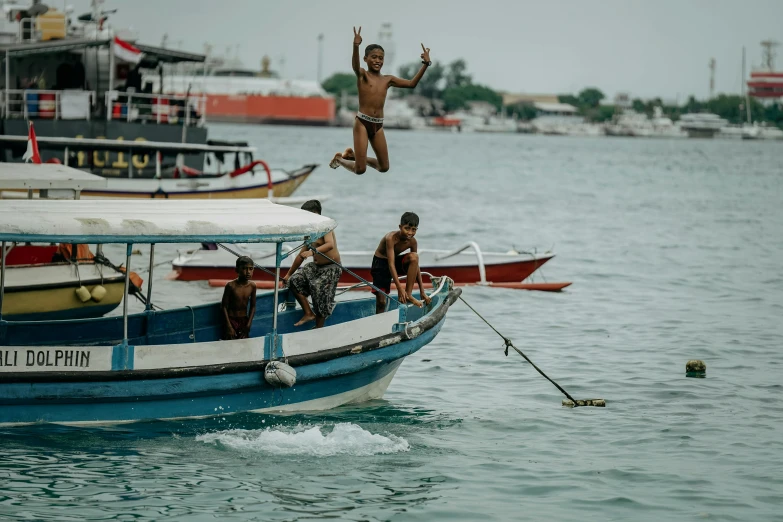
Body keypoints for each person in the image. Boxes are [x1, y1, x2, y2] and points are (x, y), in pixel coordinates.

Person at [330, 27, 431, 175]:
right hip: (362, 123)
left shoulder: (387, 79)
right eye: (374, 57)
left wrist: (425, 64)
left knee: (384, 167)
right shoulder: (363, 75)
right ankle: (340, 160)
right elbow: (355, 66)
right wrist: (356, 46)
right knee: (360, 169)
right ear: (366, 59)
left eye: (380, 58)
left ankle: (353, 156)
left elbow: (411, 84)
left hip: (378, 125)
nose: (378, 60)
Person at [283, 200, 342, 328]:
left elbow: (329, 244)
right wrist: (288, 274)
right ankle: (308, 313)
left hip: (330, 268)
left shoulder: (325, 225)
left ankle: (319, 328)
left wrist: (312, 252)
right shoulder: (310, 231)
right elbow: (300, 255)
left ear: (315, 214)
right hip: (316, 267)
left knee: (318, 288)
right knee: (295, 280)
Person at [370, 212, 432, 314]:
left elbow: (415, 265)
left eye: (414, 230)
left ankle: (408, 295)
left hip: (394, 262)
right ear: (400, 227)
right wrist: (399, 288)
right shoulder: (391, 238)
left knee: (414, 257)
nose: (410, 233)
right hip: (381, 264)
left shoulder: (413, 242)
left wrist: (422, 292)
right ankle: (379, 323)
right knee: (381, 302)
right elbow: (390, 264)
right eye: (407, 228)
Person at [221, 256, 257, 340]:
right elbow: (223, 307)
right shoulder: (230, 286)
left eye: (251, 269)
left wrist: (248, 325)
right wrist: (229, 326)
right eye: (244, 268)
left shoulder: (252, 286)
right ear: (237, 270)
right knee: (231, 344)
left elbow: (253, 306)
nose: (248, 272)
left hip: (244, 320)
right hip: (231, 320)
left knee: (244, 344)